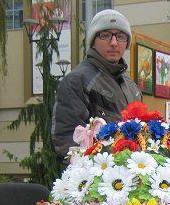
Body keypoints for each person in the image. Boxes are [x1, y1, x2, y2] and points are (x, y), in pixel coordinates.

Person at [52, 9, 141, 158]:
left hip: (131, 174)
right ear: (93, 40)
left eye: (120, 36)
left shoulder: (132, 87)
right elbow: (66, 141)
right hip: (97, 176)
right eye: (105, 35)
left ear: (126, 43)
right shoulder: (77, 81)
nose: (113, 43)